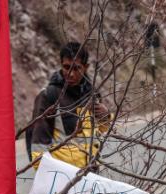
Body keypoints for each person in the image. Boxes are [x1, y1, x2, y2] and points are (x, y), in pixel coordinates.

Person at [27, 41, 111, 169]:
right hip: (64, 179)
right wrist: (51, 179)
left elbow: (100, 131)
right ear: (61, 65)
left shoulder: (92, 94)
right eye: (66, 67)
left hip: (90, 174)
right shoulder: (49, 96)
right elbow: (38, 150)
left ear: (86, 67)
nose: (71, 74)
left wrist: (105, 117)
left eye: (77, 68)